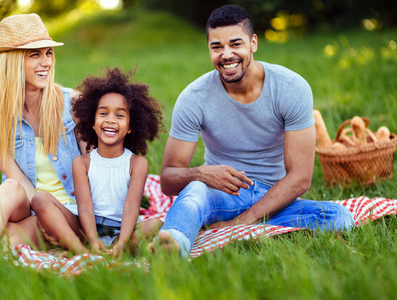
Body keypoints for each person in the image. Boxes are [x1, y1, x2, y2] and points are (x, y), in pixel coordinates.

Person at [150, 5, 355, 256]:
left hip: (275, 197)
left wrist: (240, 222)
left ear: (253, 43)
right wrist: (202, 173)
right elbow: (169, 180)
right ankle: (173, 247)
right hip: (221, 195)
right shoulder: (194, 98)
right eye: (217, 47)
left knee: (340, 217)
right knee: (195, 190)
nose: (226, 55)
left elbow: (300, 177)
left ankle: (218, 230)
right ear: (209, 49)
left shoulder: (291, 87)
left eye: (235, 44)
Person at [0, 13, 86, 257]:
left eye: (48, 53)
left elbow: (94, 169)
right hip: (30, 205)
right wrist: (42, 213)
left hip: (72, 212)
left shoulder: (74, 104)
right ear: (13, 62)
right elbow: (20, 182)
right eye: (35, 55)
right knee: (11, 187)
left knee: (2, 243)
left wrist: (53, 218)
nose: (46, 62)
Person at [31, 67, 164, 258]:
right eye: (103, 114)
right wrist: (93, 239)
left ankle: (120, 249)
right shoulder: (82, 163)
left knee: (156, 224)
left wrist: (123, 240)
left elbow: (132, 207)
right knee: (40, 199)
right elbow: (84, 206)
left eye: (119, 115)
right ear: (92, 122)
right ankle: (82, 251)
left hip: (122, 231)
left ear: (130, 127)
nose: (110, 120)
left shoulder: (137, 164)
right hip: (86, 229)